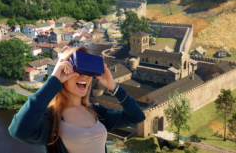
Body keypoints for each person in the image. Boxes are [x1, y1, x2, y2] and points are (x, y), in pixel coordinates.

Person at [8, 45, 146, 153]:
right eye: (77, 70)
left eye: (88, 71)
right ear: (64, 72)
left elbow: (136, 117)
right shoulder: (51, 117)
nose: (84, 76)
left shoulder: (97, 111)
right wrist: (53, 80)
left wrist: (114, 87)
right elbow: (19, 130)